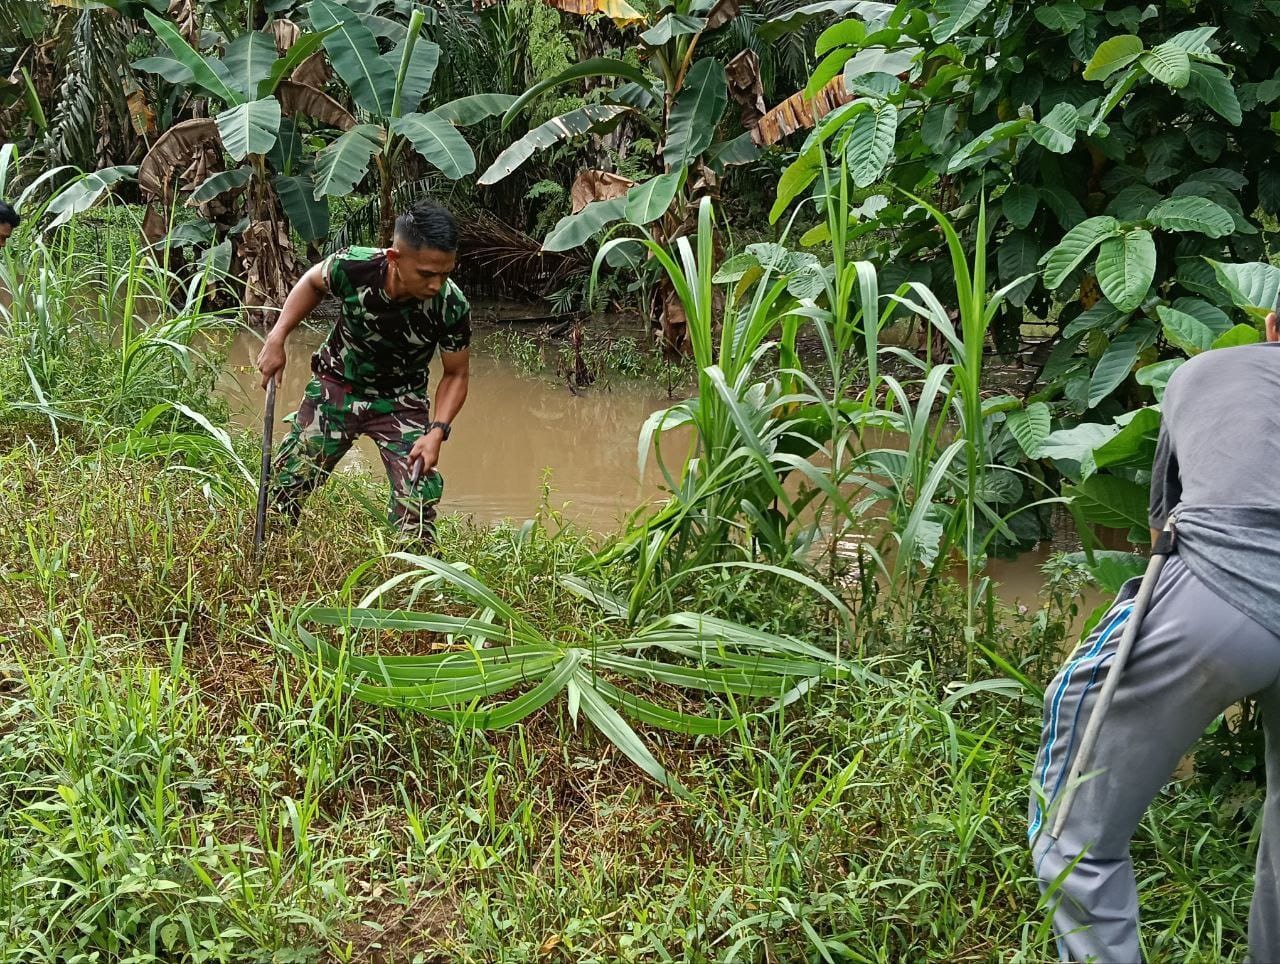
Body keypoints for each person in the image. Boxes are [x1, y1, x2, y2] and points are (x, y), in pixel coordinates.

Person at [1030, 310, 1280, 961]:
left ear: (1272, 325)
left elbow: (1163, 538)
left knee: (1073, 838)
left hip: (1222, 590)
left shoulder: (1205, 371)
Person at [255, 200, 470, 547]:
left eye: (445, 273)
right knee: (287, 484)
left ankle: (411, 582)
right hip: (337, 385)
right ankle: (270, 553)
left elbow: (456, 374)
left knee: (416, 505)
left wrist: (436, 432)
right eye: (427, 274)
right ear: (394, 259)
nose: (436, 285)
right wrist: (277, 337)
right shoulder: (354, 266)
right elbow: (312, 282)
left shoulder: (451, 304)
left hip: (402, 401)